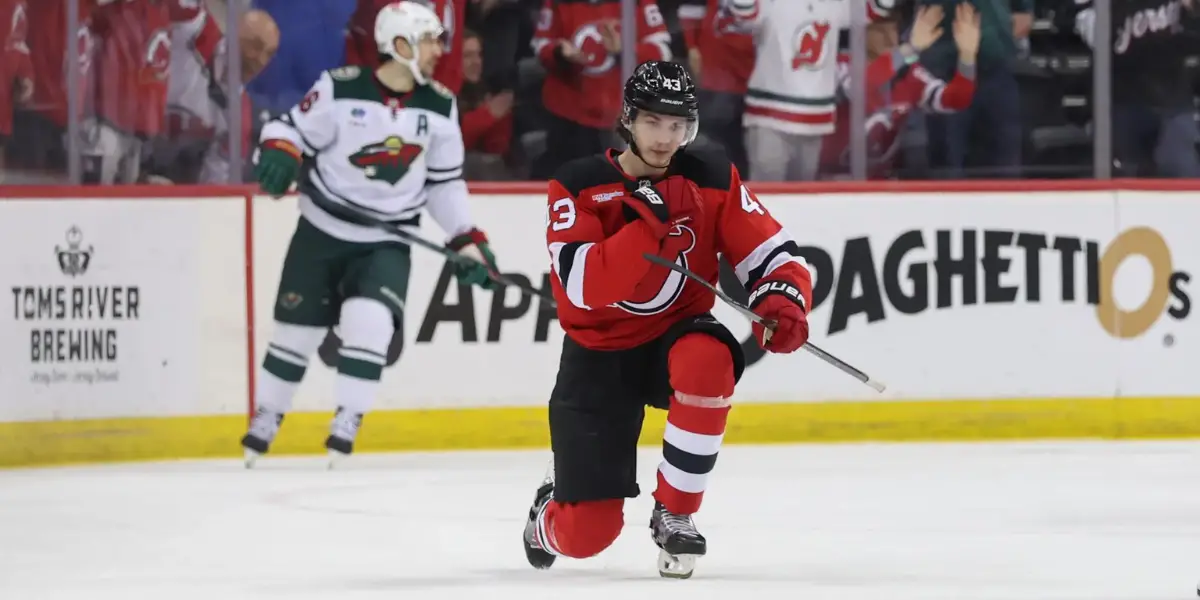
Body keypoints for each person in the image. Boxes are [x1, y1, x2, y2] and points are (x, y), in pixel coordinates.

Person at [521, 60, 813, 579]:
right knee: (587, 536)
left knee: (710, 356)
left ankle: (675, 510)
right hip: (598, 356)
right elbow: (586, 290)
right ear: (628, 120)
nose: (665, 138)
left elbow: (774, 252)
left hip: (673, 335)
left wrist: (783, 299)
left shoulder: (711, 177)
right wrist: (647, 223)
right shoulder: (578, 185)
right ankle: (546, 515)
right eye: (653, 122)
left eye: (677, 125)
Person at [239, 1, 501, 468]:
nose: (438, 51)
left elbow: (444, 185)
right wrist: (279, 150)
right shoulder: (339, 88)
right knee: (296, 333)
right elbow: (289, 129)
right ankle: (268, 415)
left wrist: (466, 238)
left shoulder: (440, 105)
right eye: (428, 41)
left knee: (372, 322)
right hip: (321, 231)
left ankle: (348, 418)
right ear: (399, 45)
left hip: (387, 240)